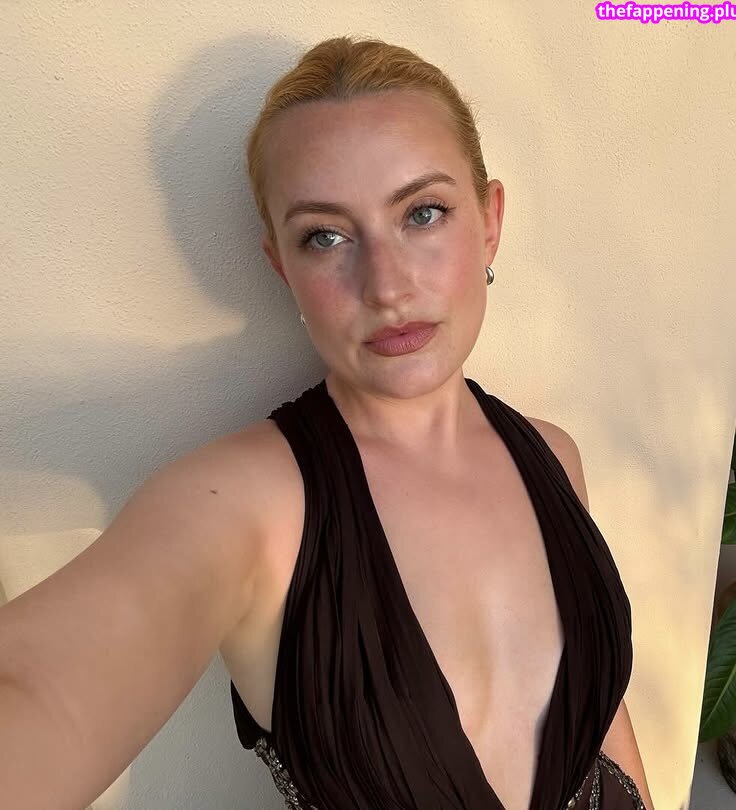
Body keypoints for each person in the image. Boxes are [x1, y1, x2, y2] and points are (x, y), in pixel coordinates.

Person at [0, 35, 654, 810]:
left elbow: (604, 721)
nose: (386, 286)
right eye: (326, 236)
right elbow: (38, 691)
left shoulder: (554, 455)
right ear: (281, 264)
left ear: (488, 221)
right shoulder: (244, 507)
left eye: (422, 213)